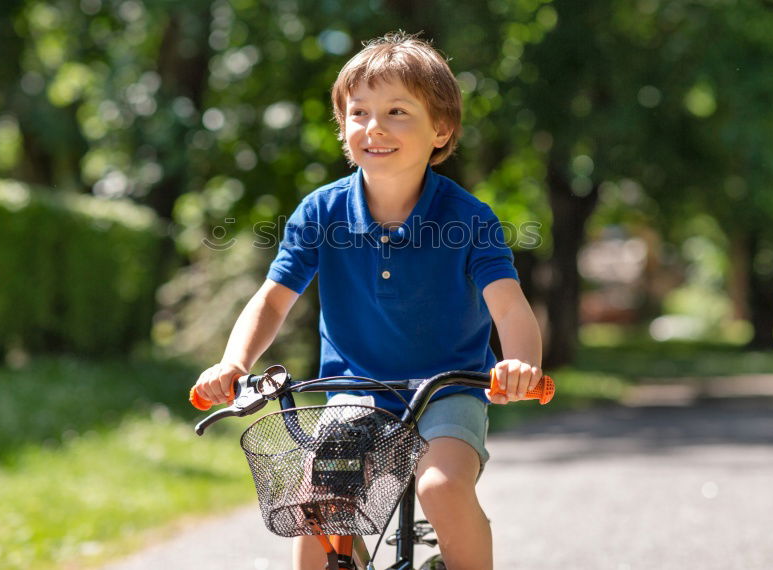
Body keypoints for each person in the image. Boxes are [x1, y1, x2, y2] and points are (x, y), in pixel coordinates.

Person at [192, 32, 544, 570]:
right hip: (354, 391)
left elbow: (510, 305)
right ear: (343, 128)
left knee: (443, 487)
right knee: (318, 503)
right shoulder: (321, 212)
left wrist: (521, 363)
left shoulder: (468, 219)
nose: (374, 127)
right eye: (358, 113)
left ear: (440, 130)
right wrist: (235, 363)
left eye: (398, 111)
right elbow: (271, 299)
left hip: (448, 388)